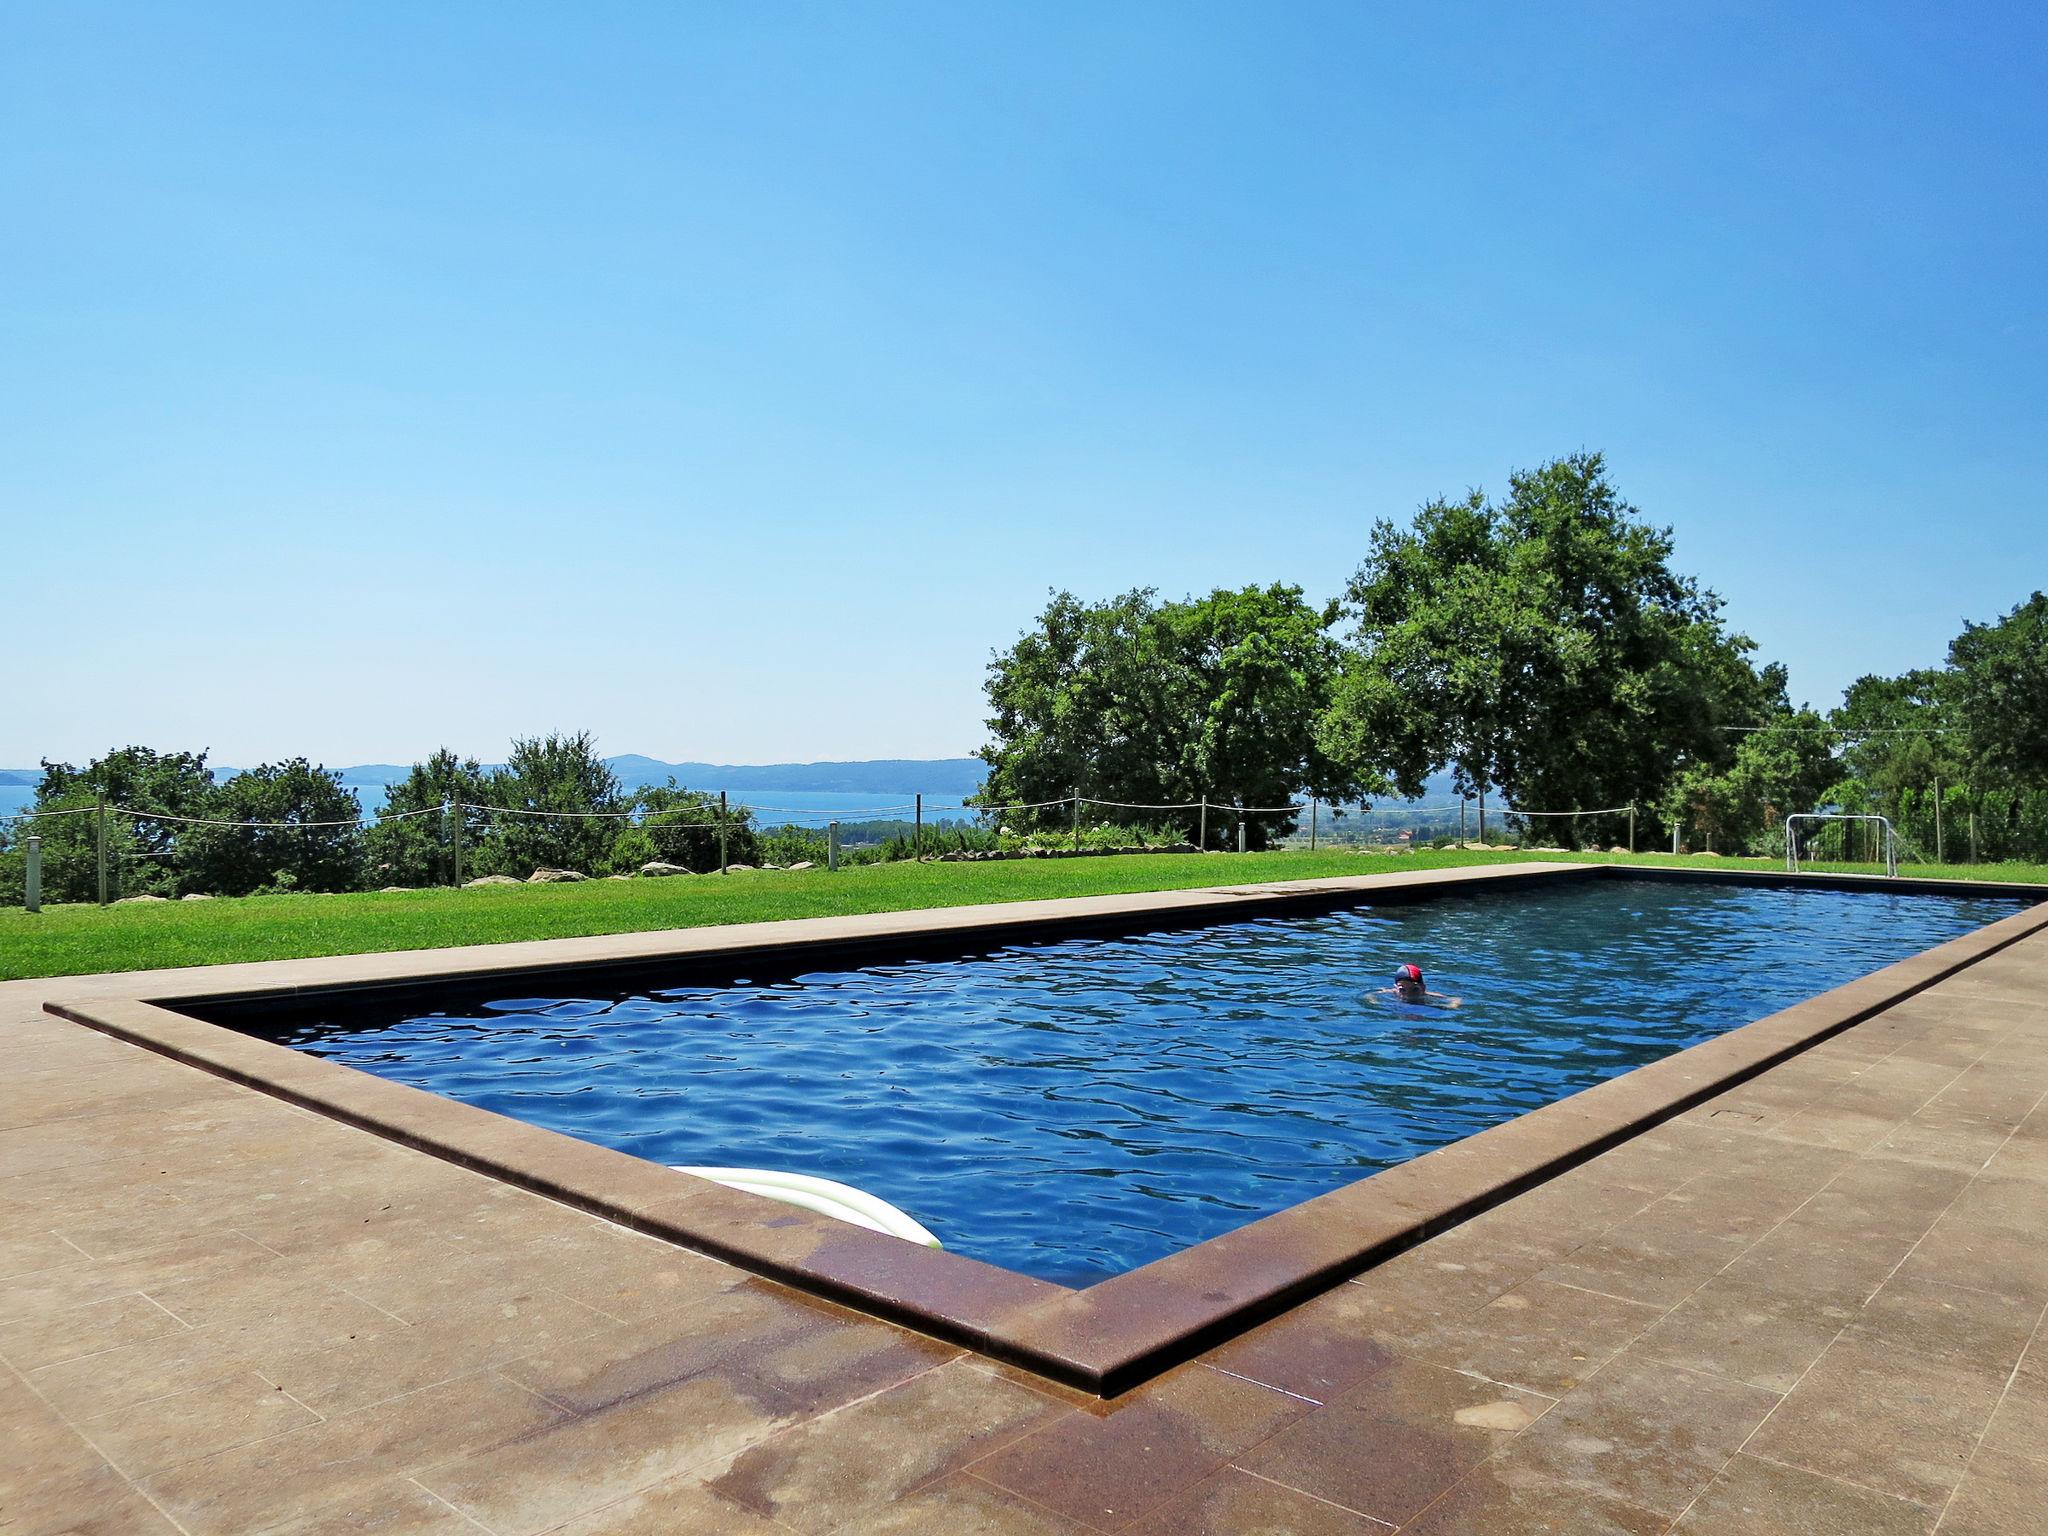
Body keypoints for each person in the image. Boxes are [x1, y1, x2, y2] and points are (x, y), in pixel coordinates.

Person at [1386, 963, 1461, 1009]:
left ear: (1423, 988)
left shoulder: (1428, 995)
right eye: (1403, 990)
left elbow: (1456, 999)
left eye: (1415, 989)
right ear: (1395, 987)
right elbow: (1374, 995)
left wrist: (1451, 1006)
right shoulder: (1394, 991)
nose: (1409, 994)